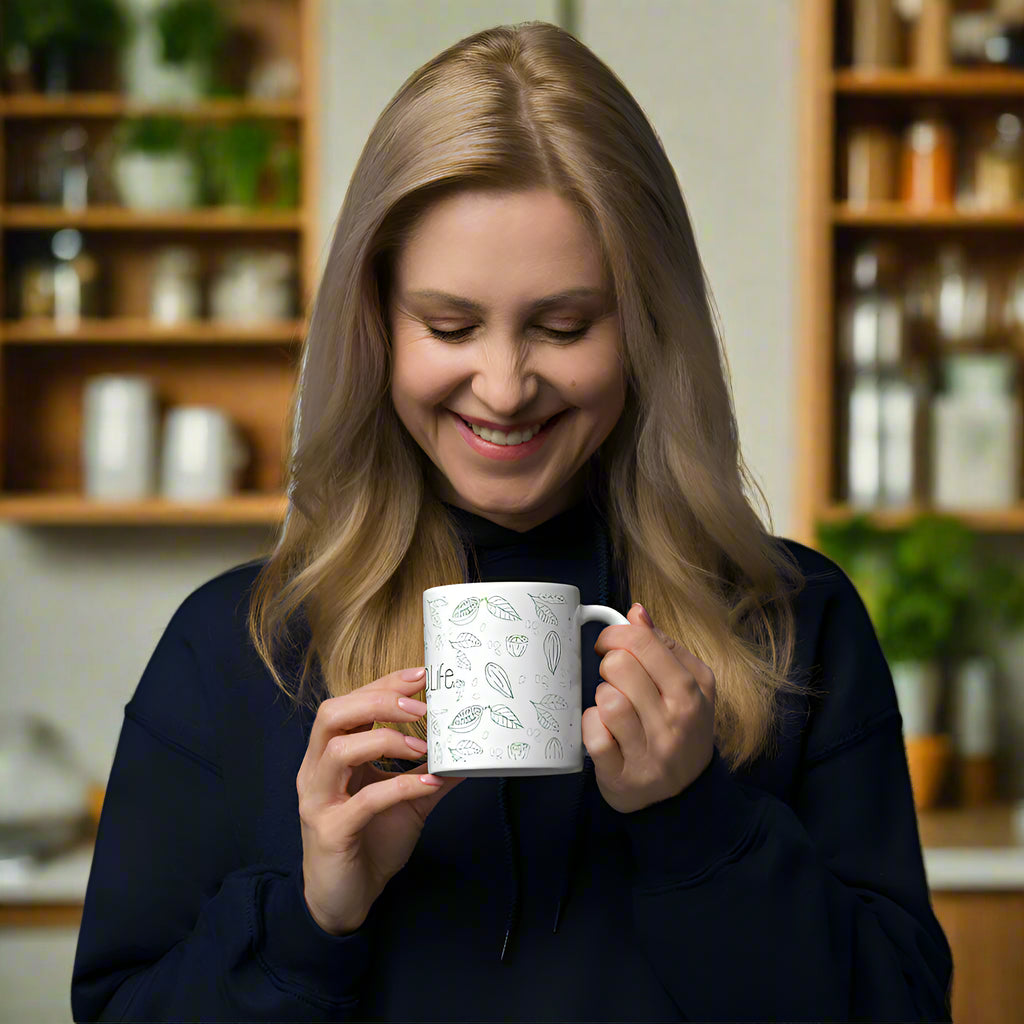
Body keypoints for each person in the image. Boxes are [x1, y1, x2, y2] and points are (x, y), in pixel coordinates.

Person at [71, 21, 953, 1023]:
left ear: (644, 327)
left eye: (562, 325)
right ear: (374, 325)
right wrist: (313, 917)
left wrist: (701, 828)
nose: (503, 385)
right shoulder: (233, 648)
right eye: (448, 326)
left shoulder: (795, 620)